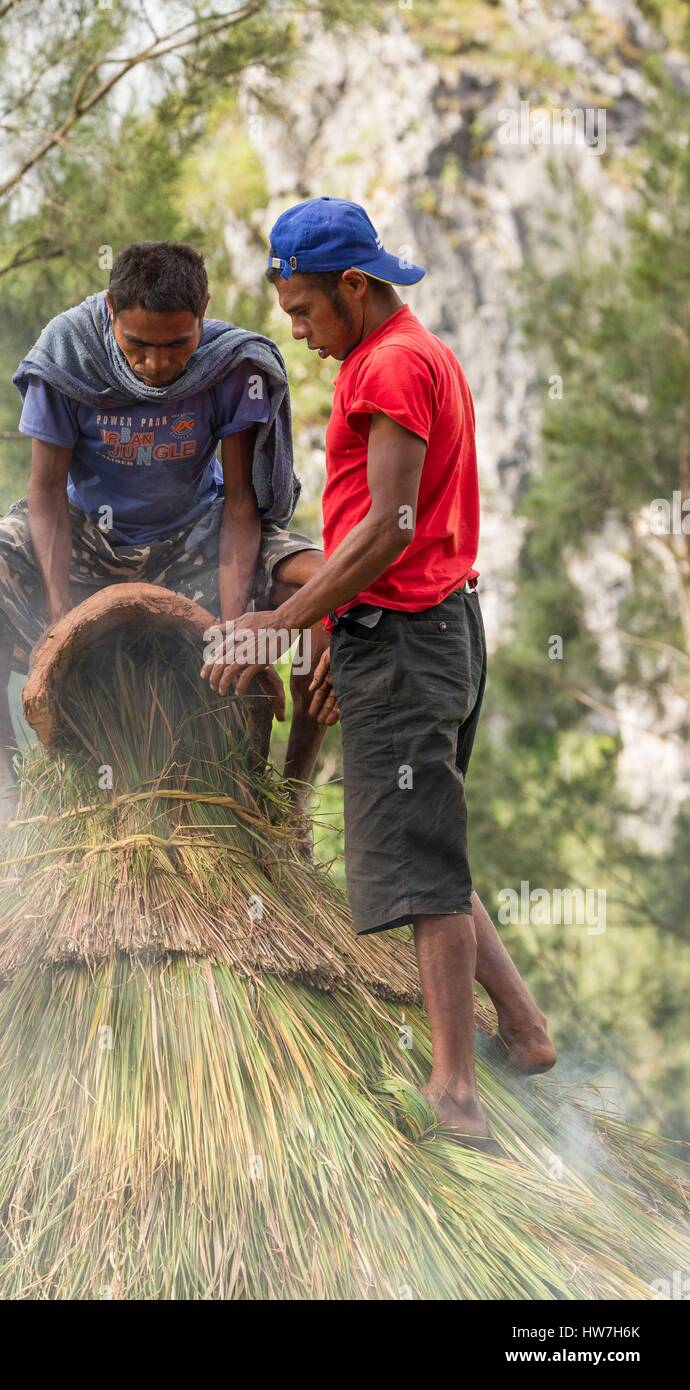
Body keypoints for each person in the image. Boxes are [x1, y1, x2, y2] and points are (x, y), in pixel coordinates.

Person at [205, 197, 556, 1140]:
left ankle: (453, 1093)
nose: (304, 337)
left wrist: (282, 619)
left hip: (407, 639)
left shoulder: (391, 366)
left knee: (423, 864)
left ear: (353, 285)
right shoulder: (417, 354)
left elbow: (390, 527)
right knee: (423, 831)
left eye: (308, 315)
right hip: (428, 630)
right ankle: (521, 1029)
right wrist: (327, 632)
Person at [0, 241, 328, 819]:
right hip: (85, 535)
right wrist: (58, 619)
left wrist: (231, 632)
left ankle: (290, 795)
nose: (157, 364)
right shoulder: (67, 353)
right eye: (138, 345)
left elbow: (242, 504)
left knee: (325, 588)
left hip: (197, 533)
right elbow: (45, 494)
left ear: (204, 313)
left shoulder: (234, 365)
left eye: (177, 344)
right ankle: (9, 773)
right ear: (109, 310)